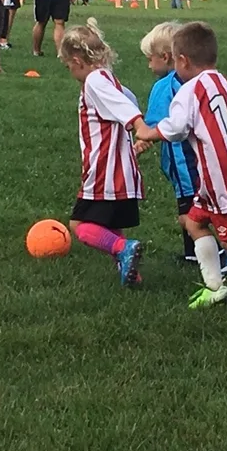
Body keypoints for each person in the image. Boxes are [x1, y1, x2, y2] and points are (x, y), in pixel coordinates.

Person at [133, 22, 227, 326]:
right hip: (219, 180)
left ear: (183, 61)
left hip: (225, 182)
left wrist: (146, 132)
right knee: (192, 221)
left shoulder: (191, 90)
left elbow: (174, 129)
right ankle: (215, 287)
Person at [139, 21, 227, 272]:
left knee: (188, 214)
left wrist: (141, 140)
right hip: (206, 157)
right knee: (196, 207)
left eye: (150, 59)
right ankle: (193, 254)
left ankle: (221, 254)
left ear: (166, 57)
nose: (149, 65)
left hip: (183, 161)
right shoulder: (201, 82)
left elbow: (156, 124)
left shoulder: (164, 87)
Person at [58, 19, 145, 287]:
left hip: (104, 169)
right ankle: (132, 275)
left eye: (68, 65)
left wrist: (139, 126)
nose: (70, 70)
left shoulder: (95, 81)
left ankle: (123, 248)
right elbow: (128, 99)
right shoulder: (108, 78)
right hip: (122, 169)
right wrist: (138, 133)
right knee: (109, 225)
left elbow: (124, 106)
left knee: (79, 225)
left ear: (77, 60)